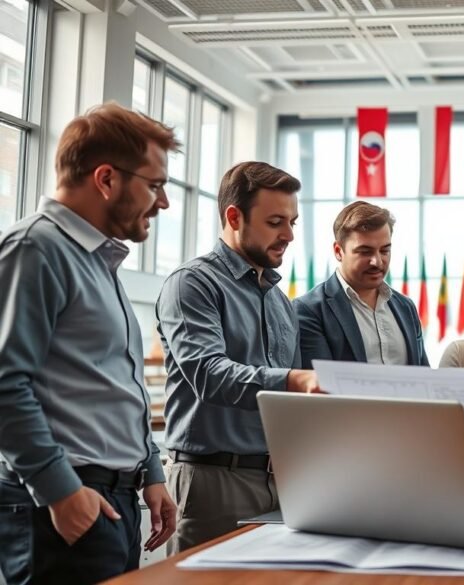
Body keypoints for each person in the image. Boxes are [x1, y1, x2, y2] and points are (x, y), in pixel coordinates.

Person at [0, 103, 178, 584]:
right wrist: (60, 491)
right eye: (156, 185)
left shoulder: (97, 260)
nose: (163, 203)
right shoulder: (36, 249)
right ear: (106, 179)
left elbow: (113, 384)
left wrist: (150, 472)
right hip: (63, 502)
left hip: (113, 500)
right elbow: (5, 385)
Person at [156, 161, 320, 555]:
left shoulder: (281, 303)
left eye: (293, 222)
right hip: (212, 482)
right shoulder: (192, 284)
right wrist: (293, 381)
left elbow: (291, 406)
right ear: (234, 216)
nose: (289, 235)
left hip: (279, 483)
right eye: (276, 221)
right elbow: (210, 375)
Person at [294, 201, 428, 368]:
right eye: (365, 252)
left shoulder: (405, 307)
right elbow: (321, 384)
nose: (377, 261)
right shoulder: (309, 310)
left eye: (385, 251)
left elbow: (423, 373)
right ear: (338, 251)